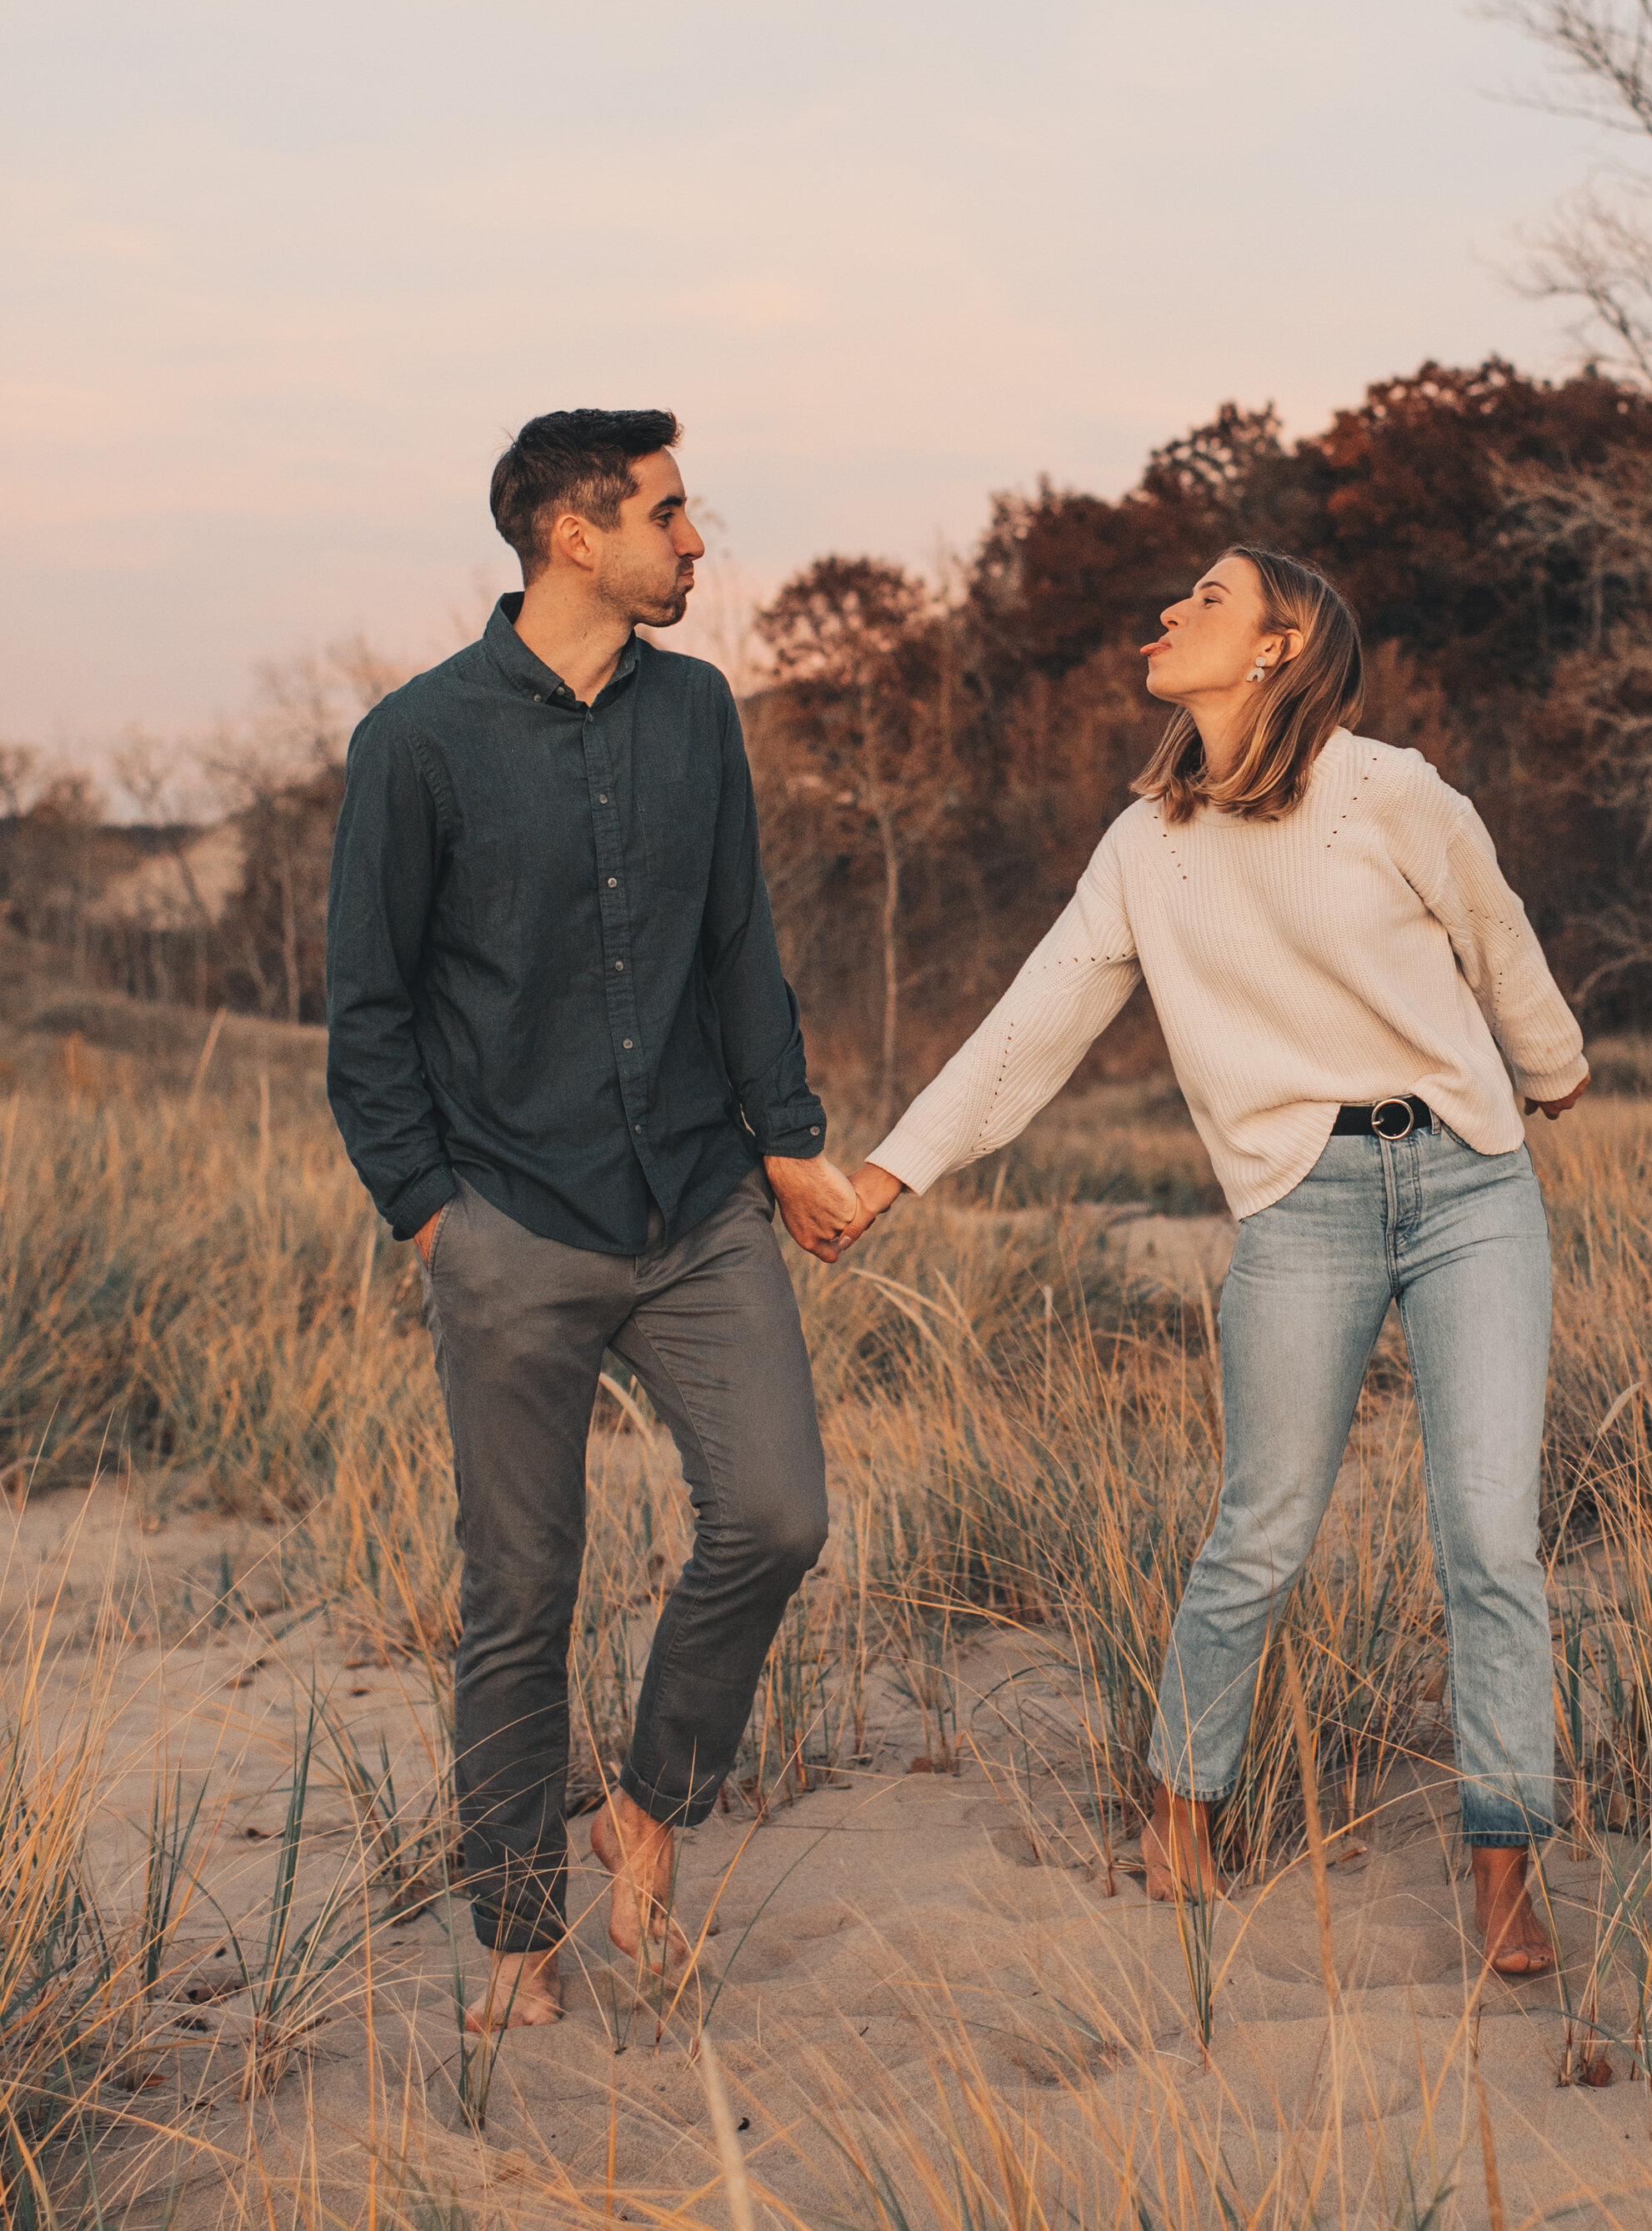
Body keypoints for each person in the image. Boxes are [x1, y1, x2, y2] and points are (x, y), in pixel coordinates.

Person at [840, 544, 1588, 1977]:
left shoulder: (1394, 792)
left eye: (1206, 599)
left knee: (1490, 1540)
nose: (1168, 613)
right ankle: (1182, 1811)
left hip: (1467, 1183)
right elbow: (1030, 1026)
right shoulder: (1147, 846)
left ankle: (1504, 1862)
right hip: (1298, 1201)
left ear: (1280, 646)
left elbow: (1498, 939)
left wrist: (1552, 1065)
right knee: (1260, 1528)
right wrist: (890, 1171)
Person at [325, 409, 860, 2033]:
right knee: (519, 1592)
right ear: (574, 533)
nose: (695, 543)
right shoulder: (414, 740)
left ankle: (649, 1799)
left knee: (774, 1514)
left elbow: (734, 942)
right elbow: (368, 1007)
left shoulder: (697, 711)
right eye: (670, 514)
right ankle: (516, 1940)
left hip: (698, 1200)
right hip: (512, 1223)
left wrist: (786, 1141)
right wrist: (432, 1214)